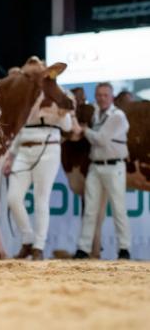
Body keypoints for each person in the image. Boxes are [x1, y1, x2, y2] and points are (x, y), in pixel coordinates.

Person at [4, 92, 75, 260]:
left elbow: (67, 127)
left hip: (48, 149)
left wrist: (62, 111)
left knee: (41, 199)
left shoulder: (59, 97)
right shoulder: (27, 97)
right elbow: (19, 130)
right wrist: (11, 155)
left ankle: (38, 247)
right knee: (13, 198)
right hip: (23, 151)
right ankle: (28, 239)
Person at [75, 82, 131, 260]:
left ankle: (124, 249)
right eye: (99, 95)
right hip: (96, 166)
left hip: (115, 167)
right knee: (91, 210)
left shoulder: (118, 115)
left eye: (105, 95)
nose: (101, 98)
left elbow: (101, 139)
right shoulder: (97, 114)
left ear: (112, 97)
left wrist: (84, 130)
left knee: (118, 209)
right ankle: (83, 249)